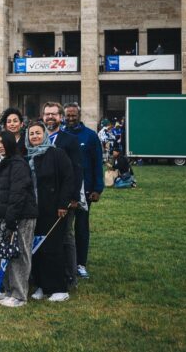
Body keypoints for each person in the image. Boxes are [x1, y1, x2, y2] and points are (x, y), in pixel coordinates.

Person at [0, 131, 38, 307]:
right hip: (7, 217)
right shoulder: (4, 164)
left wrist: (10, 218)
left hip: (21, 217)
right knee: (6, 254)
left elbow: (18, 193)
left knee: (19, 255)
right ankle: (9, 291)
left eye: (2, 142)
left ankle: (19, 295)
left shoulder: (18, 164)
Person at [26, 122, 74, 302]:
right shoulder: (28, 156)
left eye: (38, 133)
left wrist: (63, 204)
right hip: (34, 211)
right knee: (37, 249)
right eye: (32, 134)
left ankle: (59, 288)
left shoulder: (56, 154)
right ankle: (41, 285)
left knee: (53, 248)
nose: (35, 137)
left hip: (54, 210)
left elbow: (69, 179)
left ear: (44, 134)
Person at [41, 102, 83, 286]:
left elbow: (76, 170)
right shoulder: (37, 138)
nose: (50, 117)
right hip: (43, 199)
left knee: (66, 236)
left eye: (54, 114)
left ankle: (70, 275)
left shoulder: (69, 140)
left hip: (63, 198)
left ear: (60, 117)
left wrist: (72, 198)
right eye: (47, 114)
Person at [63, 103, 104, 280]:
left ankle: (81, 264)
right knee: (64, 229)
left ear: (79, 115)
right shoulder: (61, 135)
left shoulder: (90, 136)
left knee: (81, 228)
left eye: (73, 115)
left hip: (84, 191)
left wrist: (97, 188)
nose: (70, 118)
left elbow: (97, 163)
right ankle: (65, 262)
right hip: (63, 191)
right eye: (68, 116)